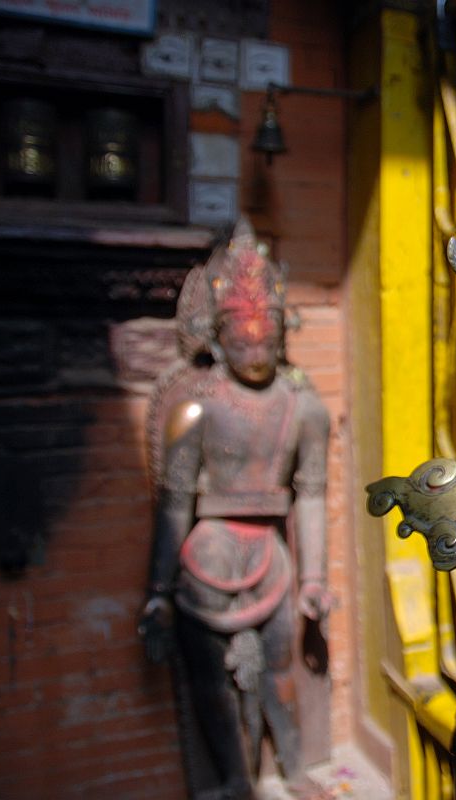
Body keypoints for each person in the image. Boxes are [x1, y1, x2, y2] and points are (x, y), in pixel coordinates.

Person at [140, 221, 331, 800]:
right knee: (211, 683)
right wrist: (159, 589)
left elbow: (313, 494)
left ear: (282, 333)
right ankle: (231, 779)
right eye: (242, 341)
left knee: (280, 669)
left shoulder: (303, 408)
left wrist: (315, 577)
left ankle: (294, 767)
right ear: (217, 338)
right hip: (206, 557)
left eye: (267, 340)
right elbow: (174, 507)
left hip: (270, 557)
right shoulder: (195, 409)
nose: (256, 352)